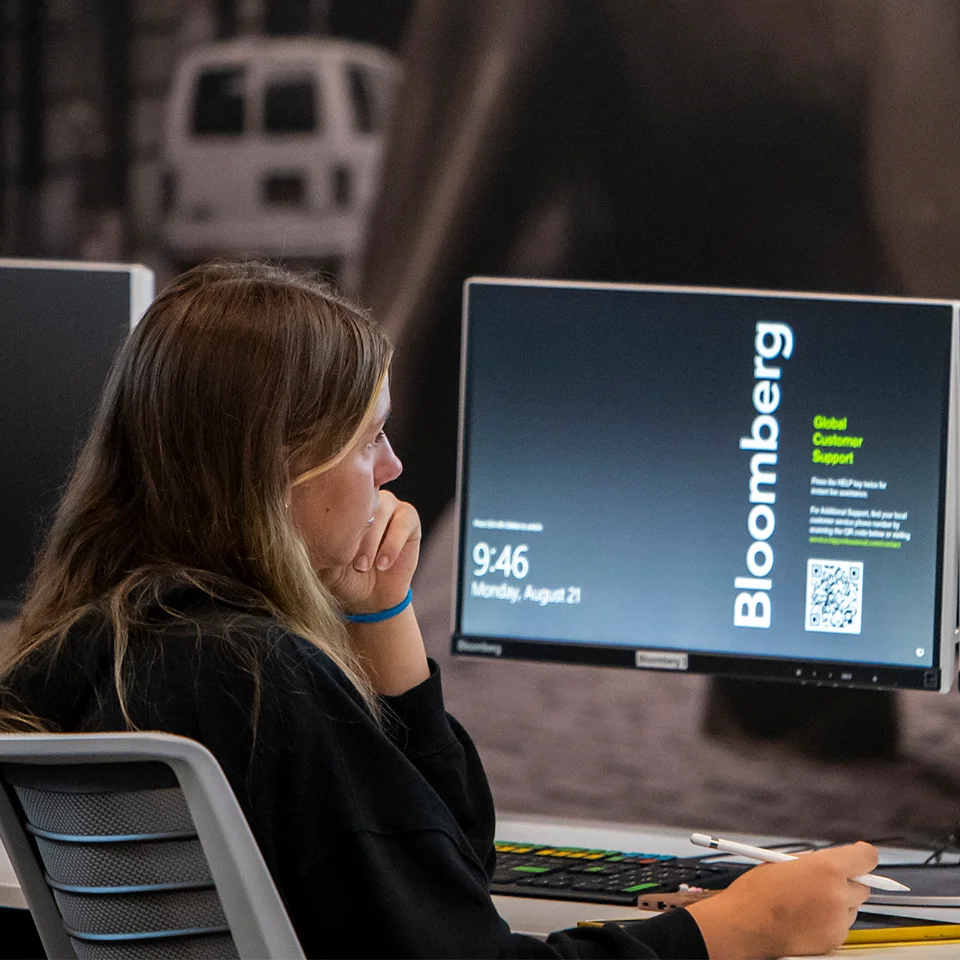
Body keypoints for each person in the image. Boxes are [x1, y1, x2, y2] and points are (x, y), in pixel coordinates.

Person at [0, 261, 877, 958]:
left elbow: (446, 863)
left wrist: (383, 619)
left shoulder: (90, 654)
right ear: (271, 471)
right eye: (365, 438)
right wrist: (735, 930)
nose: (391, 469)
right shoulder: (260, 679)